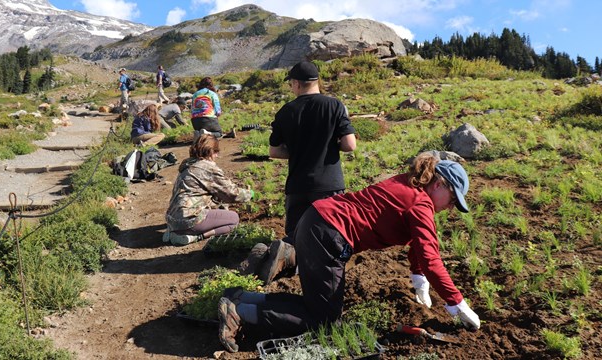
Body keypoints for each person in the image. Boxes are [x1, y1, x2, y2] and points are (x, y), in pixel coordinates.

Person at [217, 153, 481, 353]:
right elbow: (430, 257)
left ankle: (242, 298)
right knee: (322, 319)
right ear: (439, 185)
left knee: (316, 305)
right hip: (329, 236)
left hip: (316, 219)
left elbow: (419, 246)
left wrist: (418, 281)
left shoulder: (408, 185)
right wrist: (457, 305)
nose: (451, 207)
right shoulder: (421, 204)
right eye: (453, 199)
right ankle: (242, 313)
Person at [242, 60, 357, 284]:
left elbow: (274, 151)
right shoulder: (334, 106)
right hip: (329, 183)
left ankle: (291, 267)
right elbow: (350, 145)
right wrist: (330, 147)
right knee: (331, 232)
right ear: (316, 82)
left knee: (295, 234)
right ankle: (326, 272)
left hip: (297, 185)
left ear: (296, 84)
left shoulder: (286, 111)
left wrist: (296, 152)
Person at [163, 134, 253, 245]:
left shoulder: (188, 165)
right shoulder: (207, 168)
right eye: (216, 152)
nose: (217, 156)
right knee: (233, 219)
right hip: (189, 219)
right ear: (210, 152)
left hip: (172, 218)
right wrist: (249, 194)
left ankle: (175, 231)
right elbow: (231, 194)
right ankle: (195, 237)